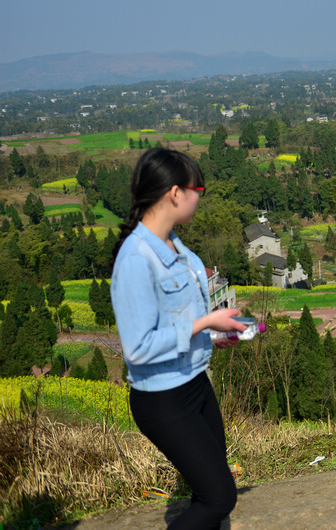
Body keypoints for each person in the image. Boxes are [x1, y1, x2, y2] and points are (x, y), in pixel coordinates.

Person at [111, 148, 247, 529]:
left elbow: (182, 318)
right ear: (175, 193)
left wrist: (214, 334)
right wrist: (202, 325)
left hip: (195, 384)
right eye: (197, 188)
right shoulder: (137, 258)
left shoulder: (176, 246)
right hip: (163, 399)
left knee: (212, 494)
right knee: (220, 497)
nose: (199, 197)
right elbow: (137, 348)